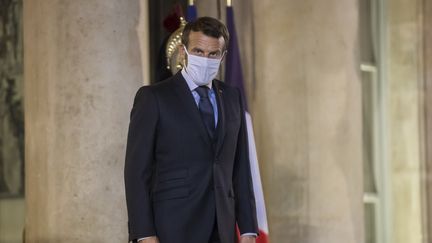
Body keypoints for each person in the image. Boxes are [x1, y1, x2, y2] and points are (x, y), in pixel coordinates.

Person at [124, 17, 258, 243]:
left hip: (223, 229)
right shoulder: (153, 98)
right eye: (198, 51)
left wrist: (248, 229)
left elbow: (241, 168)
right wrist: (144, 234)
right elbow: (136, 172)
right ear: (183, 51)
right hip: (172, 229)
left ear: (223, 57)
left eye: (213, 54)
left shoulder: (232, 97)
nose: (205, 59)